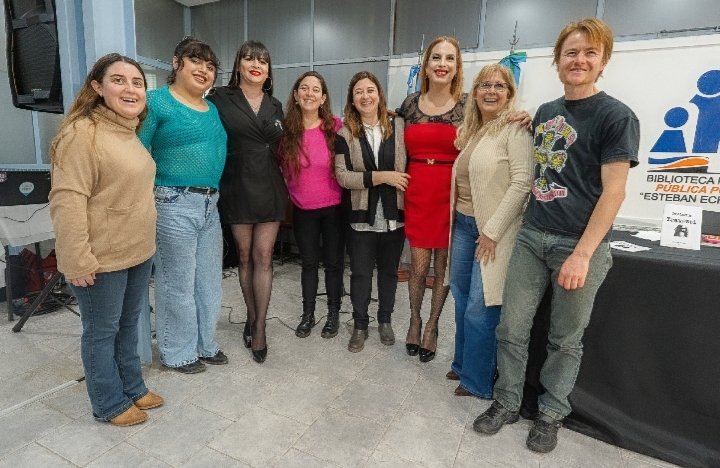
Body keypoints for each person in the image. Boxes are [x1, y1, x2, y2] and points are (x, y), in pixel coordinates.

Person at [473, 18, 640, 453]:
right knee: (511, 328)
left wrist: (582, 254)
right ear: (558, 60)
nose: (579, 60)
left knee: (565, 339)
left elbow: (614, 192)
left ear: (603, 61)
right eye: (571, 52)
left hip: (578, 245)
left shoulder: (617, 116)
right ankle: (507, 401)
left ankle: (551, 413)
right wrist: (525, 118)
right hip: (532, 236)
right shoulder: (547, 112)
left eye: (589, 53)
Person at [49, 53, 164, 426]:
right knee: (102, 332)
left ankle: (132, 386)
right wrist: (76, 259)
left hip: (136, 251)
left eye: (137, 82)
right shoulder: (81, 133)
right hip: (101, 258)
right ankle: (108, 402)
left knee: (128, 325)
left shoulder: (127, 131)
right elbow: (67, 200)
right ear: (97, 87)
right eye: (119, 80)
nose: (131, 89)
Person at [139, 37, 228, 374]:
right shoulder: (156, 101)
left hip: (210, 203)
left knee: (208, 281)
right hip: (173, 201)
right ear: (176, 63)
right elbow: (137, 152)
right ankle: (177, 352)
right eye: (196, 61)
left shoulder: (211, 108)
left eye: (210, 66)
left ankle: (205, 344)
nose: (204, 70)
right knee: (177, 282)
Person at [447, 64, 533, 399]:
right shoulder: (474, 131)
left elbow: (522, 183)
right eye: (484, 85)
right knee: (460, 298)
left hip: (494, 233)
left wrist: (492, 231)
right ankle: (462, 364)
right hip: (464, 226)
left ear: (510, 93)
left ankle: (478, 381)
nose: (491, 91)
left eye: (499, 86)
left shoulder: (515, 129)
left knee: (481, 306)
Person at [207, 41, 286, 363]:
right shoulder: (219, 99)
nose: (256, 65)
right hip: (236, 183)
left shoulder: (275, 104)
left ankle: (260, 327)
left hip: (270, 186)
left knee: (263, 256)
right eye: (250, 59)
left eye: (263, 61)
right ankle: (251, 317)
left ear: (268, 71)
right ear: (238, 64)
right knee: (244, 256)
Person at [398, 36, 465, 362]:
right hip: (418, 191)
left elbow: (494, 128)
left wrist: (519, 116)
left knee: (443, 268)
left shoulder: (468, 105)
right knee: (418, 266)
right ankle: (414, 319)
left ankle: (432, 326)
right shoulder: (410, 104)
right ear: (426, 66)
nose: (442, 64)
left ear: (457, 67)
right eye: (436, 57)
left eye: (449, 58)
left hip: (452, 193)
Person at [335, 71, 408, 353]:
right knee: (361, 274)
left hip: (393, 215)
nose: (365, 96)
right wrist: (382, 177)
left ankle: (385, 320)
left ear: (379, 94)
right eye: (358, 92)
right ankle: (360, 324)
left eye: (370, 90)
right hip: (360, 217)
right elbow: (343, 177)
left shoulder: (399, 125)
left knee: (389, 273)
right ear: (352, 100)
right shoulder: (344, 133)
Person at [279, 71, 344, 339]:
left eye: (316, 89)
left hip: (334, 208)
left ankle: (333, 314)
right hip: (303, 210)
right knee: (308, 264)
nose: (309, 93)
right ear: (296, 95)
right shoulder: (286, 132)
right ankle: (308, 315)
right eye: (304, 88)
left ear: (323, 97)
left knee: (334, 264)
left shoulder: (335, 126)